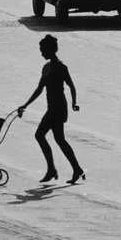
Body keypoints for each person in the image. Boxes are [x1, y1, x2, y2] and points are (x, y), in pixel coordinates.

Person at [18, 35, 84, 184]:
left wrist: (74, 103)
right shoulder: (46, 67)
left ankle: (52, 169)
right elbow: (40, 88)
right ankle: (76, 169)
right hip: (52, 107)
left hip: (58, 108)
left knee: (40, 135)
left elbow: (71, 86)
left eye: (43, 50)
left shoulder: (61, 67)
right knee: (60, 140)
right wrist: (25, 105)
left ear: (50, 49)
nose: (41, 53)